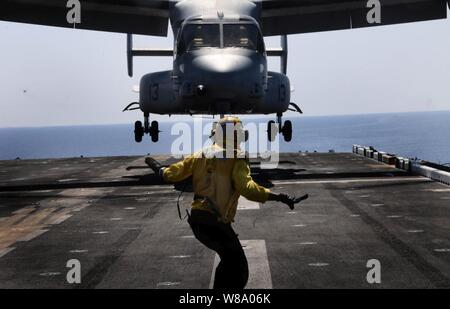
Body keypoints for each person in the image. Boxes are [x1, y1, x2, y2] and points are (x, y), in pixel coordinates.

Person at [145, 116, 308, 289]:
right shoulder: (237, 157)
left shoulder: (200, 154)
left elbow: (172, 174)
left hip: (198, 221)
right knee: (237, 268)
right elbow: (247, 189)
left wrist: (158, 168)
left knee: (229, 262)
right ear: (237, 136)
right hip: (215, 223)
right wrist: (278, 196)